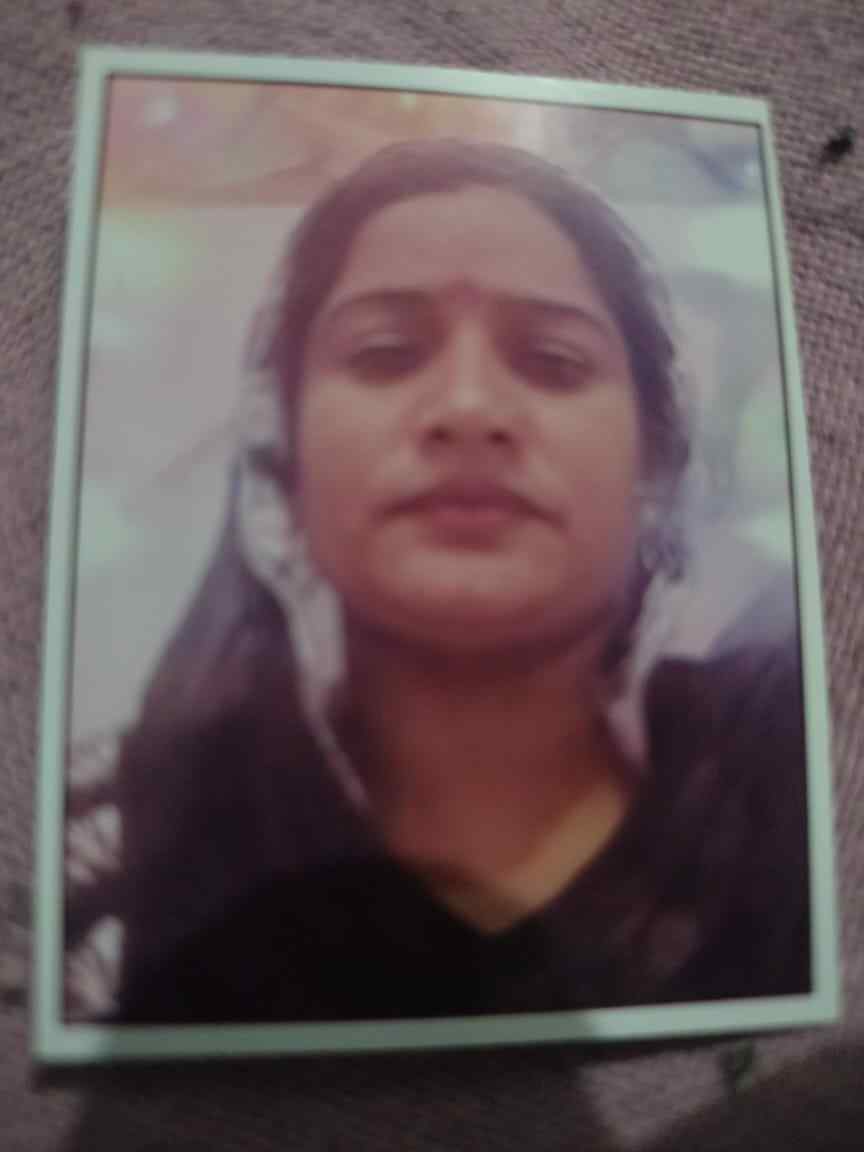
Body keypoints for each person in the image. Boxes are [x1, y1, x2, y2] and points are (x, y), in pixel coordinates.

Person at [109, 139, 810, 1024]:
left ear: (655, 457)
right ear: (282, 449)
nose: (470, 410)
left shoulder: (787, 782)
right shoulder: (103, 871)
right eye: (386, 353)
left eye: (554, 363)